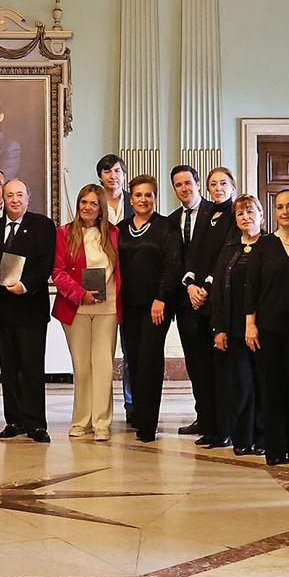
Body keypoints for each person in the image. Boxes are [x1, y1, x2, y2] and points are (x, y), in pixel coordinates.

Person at [0, 178, 57, 442]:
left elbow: (45, 263)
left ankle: (36, 423)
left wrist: (25, 285)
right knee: (9, 367)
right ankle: (14, 421)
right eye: (9, 195)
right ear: (2, 200)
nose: (14, 199)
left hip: (30, 307)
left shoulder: (42, 225)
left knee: (31, 367)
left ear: (28, 197)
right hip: (2, 309)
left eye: (19, 194)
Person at [116, 175, 183, 443]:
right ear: (130, 199)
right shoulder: (120, 228)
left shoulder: (167, 227)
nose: (143, 200)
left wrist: (162, 298)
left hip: (157, 305)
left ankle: (148, 423)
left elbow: (173, 265)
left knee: (150, 360)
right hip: (128, 304)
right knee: (133, 359)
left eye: (149, 195)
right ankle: (137, 415)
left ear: (155, 198)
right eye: (138, 195)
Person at [171, 164, 234, 445]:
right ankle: (205, 417)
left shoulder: (221, 213)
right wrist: (190, 286)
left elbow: (221, 256)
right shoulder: (172, 219)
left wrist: (206, 288)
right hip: (188, 301)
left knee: (216, 367)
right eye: (178, 185)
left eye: (189, 183)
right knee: (196, 366)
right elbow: (185, 258)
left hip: (215, 301)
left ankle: (220, 424)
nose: (185, 188)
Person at [53, 183, 121, 441]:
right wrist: (80, 293)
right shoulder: (64, 233)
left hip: (108, 308)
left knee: (103, 365)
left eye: (94, 203)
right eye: (84, 202)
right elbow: (57, 272)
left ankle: (102, 422)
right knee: (82, 367)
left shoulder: (114, 234)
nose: (88, 207)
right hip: (76, 308)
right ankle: (81, 421)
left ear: (101, 208)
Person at [244, 188, 289, 466]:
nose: (285, 212)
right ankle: (275, 448)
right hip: (268, 327)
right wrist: (250, 325)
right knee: (272, 388)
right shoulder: (265, 245)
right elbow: (252, 288)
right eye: (280, 207)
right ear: (273, 212)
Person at [210, 194, 264, 456]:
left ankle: (263, 437)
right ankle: (242, 438)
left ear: (261, 216)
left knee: (264, 384)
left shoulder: (270, 245)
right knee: (240, 384)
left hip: (264, 327)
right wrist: (219, 328)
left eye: (251, 212)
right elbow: (218, 290)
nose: (246, 217)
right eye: (241, 213)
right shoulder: (229, 248)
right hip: (233, 328)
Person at [97, 154, 135, 423]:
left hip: (132, 283)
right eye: (108, 171)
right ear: (100, 176)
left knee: (131, 349)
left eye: (118, 171)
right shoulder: (93, 204)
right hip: (104, 284)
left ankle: (132, 405)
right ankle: (99, 407)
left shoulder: (136, 202)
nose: (113, 175)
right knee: (101, 350)